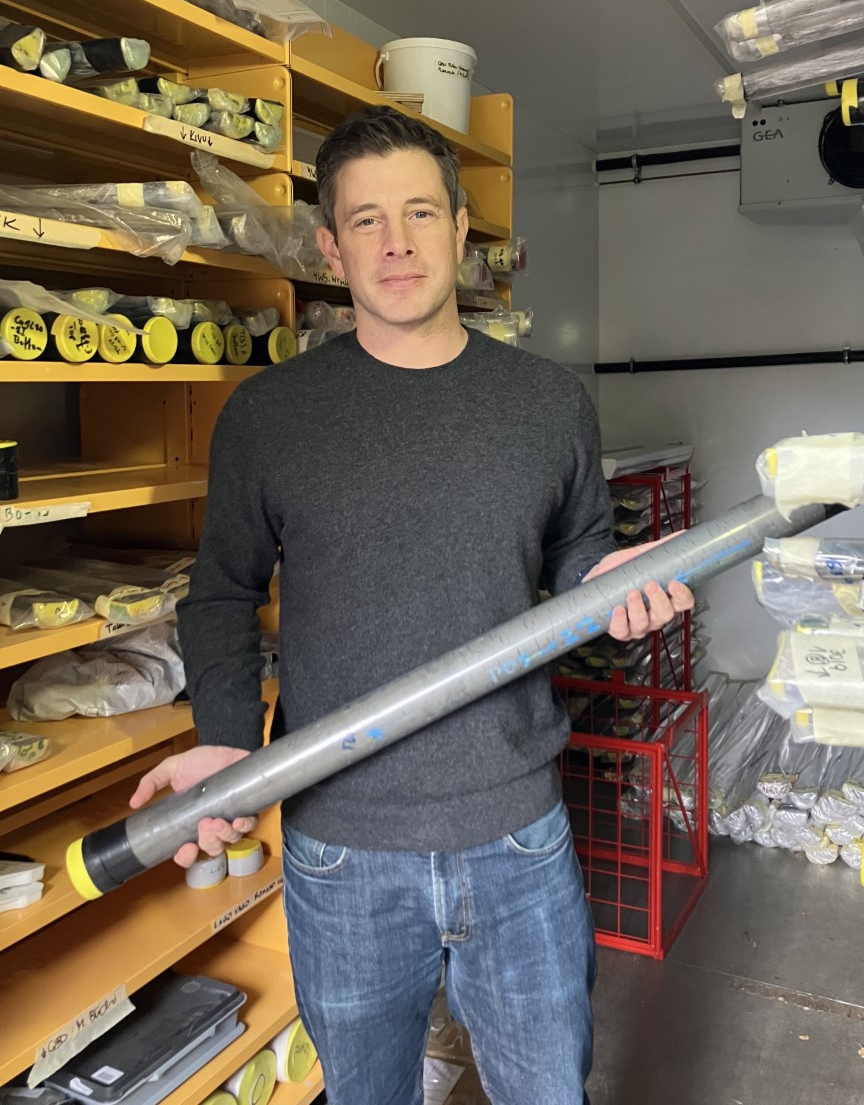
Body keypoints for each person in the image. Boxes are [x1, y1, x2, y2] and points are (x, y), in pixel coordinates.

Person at [131, 106, 694, 1105]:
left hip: (518, 833)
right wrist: (227, 738)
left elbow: (576, 557)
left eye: (421, 213)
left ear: (461, 228)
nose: (396, 243)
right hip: (341, 848)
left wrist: (611, 593)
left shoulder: (547, 402)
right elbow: (220, 591)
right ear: (330, 247)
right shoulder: (268, 418)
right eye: (366, 220)